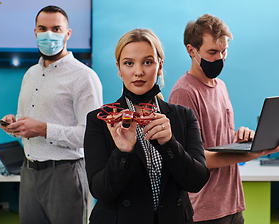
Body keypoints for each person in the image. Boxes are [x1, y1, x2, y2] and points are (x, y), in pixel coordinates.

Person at [168, 14, 279, 224]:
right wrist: (254, 153)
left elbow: (214, 140)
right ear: (192, 50)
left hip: (232, 204)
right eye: (213, 52)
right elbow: (193, 159)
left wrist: (240, 138)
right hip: (204, 211)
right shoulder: (184, 93)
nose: (220, 58)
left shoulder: (220, 86)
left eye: (224, 51)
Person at [84, 28, 210, 224]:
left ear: (160, 66)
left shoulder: (183, 116)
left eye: (148, 62)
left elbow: (197, 181)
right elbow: (101, 191)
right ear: (119, 68)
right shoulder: (101, 120)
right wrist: (123, 153)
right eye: (129, 63)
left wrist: (169, 143)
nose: (139, 72)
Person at [0, 5, 103, 224]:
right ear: (35, 32)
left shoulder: (84, 77)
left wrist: (43, 129)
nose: (49, 34)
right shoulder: (30, 74)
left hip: (64, 175)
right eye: (43, 28)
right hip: (28, 174)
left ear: (68, 33)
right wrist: (14, 124)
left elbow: (90, 136)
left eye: (56, 29)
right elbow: (26, 123)